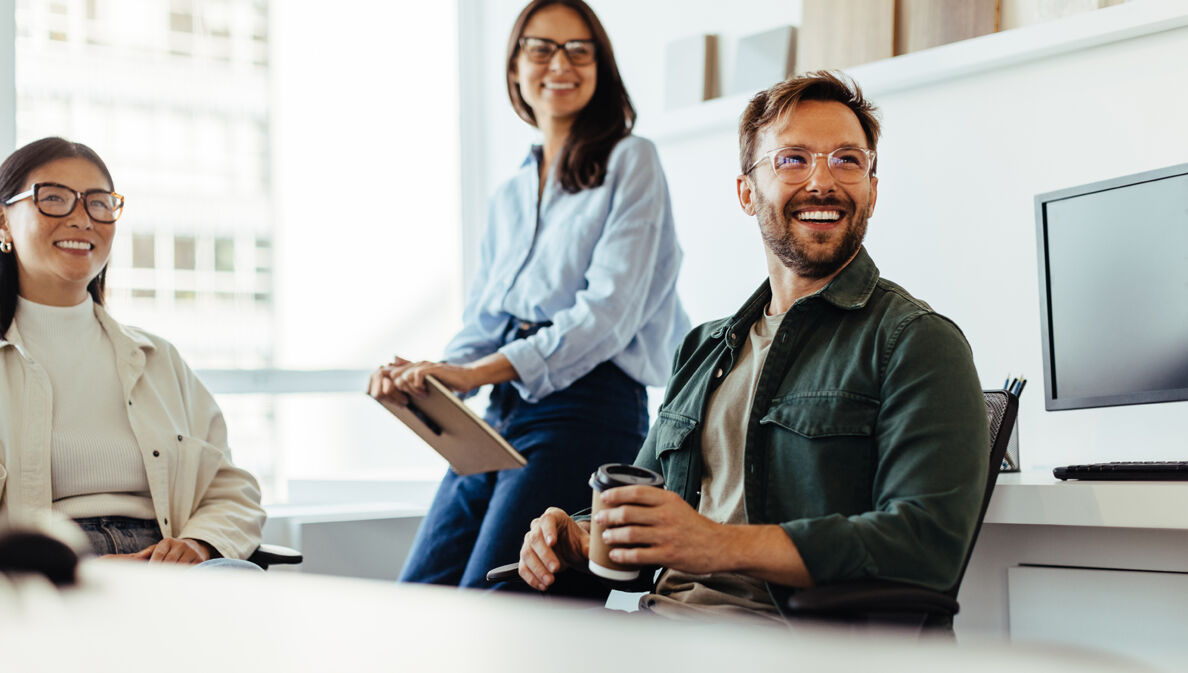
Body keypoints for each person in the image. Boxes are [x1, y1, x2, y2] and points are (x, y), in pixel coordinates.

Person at [516, 71, 990, 622]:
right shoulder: (703, 347)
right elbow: (647, 517)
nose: (823, 182)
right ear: (747, 192)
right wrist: (578, 534)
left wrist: (715, 544)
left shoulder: (916, 343)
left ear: (872, 190)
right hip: (653, 633)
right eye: (792, 159)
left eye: (847, 160)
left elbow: (924, 547)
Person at [368, 0, 688, 589]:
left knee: (493, 601)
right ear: (515, 67)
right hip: (505, 410)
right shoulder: (511, 191)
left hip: (586, 410)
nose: (559, 64)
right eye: (540, 47)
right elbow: (486, 319)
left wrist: (473, 375)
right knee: (418, 591)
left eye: (578, 50)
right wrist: (427, 375)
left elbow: (605, 319)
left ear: (600, 66)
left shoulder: (631, 161)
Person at [0, 137, 265, 568]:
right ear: (4, 222)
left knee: (237, 575)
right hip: (44, 571)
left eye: (99, 204)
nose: (82, 219)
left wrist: (199, 543)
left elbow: (231, 491)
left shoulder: (158, 359)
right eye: (54, 199)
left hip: (166, 565)